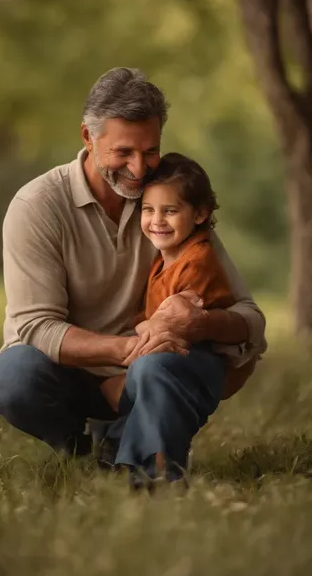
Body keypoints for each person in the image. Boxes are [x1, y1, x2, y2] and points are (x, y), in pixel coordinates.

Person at [0, 67, 267, 487]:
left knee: (164, 366)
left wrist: (202, 324)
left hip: (153, 369)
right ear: (87, 137)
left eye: (150, 151)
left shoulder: (167, 203)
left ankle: (139, 462)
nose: (139, 169)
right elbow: (36, 326)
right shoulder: (37, 206)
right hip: (78, 368)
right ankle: (82, 451)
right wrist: (132, 349)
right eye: (124, 153)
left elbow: (249, 317)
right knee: (15, 378)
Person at [99, 152, 253, 421]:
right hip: (171, 351)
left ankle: (145, 453)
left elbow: (175, 327)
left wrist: (141, 332)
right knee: (121, 387)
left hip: (199, 356)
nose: (157, 220)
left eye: (170, 210)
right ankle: (120, 441)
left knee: (122, 387)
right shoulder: (165, 257)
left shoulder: (196, 262)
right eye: (148, 209)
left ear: (200, 214)